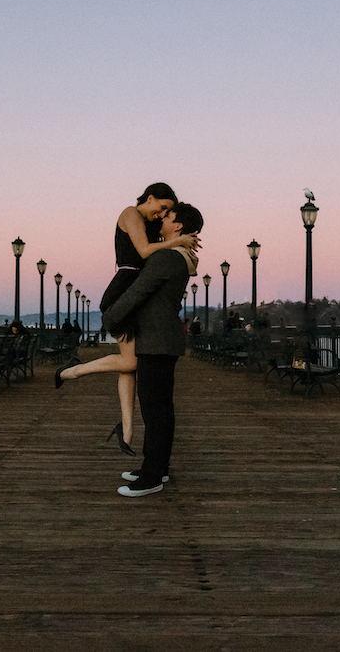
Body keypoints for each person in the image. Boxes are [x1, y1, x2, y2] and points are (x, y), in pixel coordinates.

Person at [55, 183, 199, 456]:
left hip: (136, 291)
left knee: (129, 364)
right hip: (123, 289)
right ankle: (72, 370)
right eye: (162, 207)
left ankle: (127, 430)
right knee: (131, 362)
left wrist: (184, 240)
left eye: (167, 212)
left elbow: (168, 249)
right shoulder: (130, 213)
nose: (162, 214)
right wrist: (178, 241)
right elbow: (144, 252)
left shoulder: (152, 224)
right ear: (150, 197)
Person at [101, 203, 202, 496]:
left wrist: (110, 317)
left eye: (168, 216)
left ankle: (152, 476)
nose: (162, 219)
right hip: (163, 340)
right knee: (161, 409)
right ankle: (158, 467)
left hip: (156, 342)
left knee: (155, 411)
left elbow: (137, 292)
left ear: (178, 226)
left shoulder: (166, 258)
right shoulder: (177, 256)